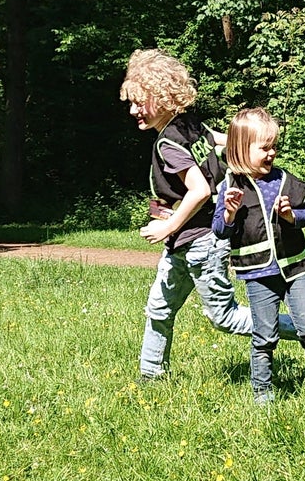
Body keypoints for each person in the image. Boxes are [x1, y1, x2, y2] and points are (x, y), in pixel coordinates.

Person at [121, 50, 290, 381]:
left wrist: (168, 223)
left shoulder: (169, 143)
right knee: (159, 308)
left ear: (163, 98)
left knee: (224, 317)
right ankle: (150, 378)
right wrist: (248, 146)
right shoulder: (189, 124)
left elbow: (197, 190)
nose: (133, 110)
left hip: (199, 244)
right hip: (183, 244)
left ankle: (304, 327)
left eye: (140, 102)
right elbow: (223, 141)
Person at [211, 107, 305, 407]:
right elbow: (219, 230)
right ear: (240, 150)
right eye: (264, 148)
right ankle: (262, 390)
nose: (271, 153)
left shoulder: (285, 179)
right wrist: (230, 214)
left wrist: (290, 215)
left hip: (294, 267)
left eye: (274, 146)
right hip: (258, 273)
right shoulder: (231, 186)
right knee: (265, 335)